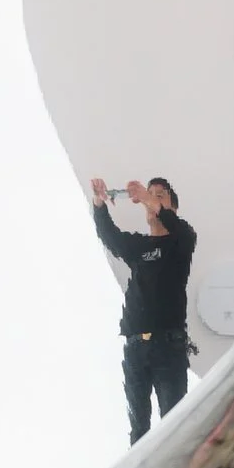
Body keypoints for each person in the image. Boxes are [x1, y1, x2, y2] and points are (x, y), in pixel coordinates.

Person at [89, 175, 196, 444]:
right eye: (151, 195)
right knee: (139, 429)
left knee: (173, 425)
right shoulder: (139, 247)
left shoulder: (181, 240)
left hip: (169, 346)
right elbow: (109, 236)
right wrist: (99, 203)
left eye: (160, 196)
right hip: (136, 347)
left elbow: (176, 227)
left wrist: (147, 197)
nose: (152, 200)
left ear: (173, 208)